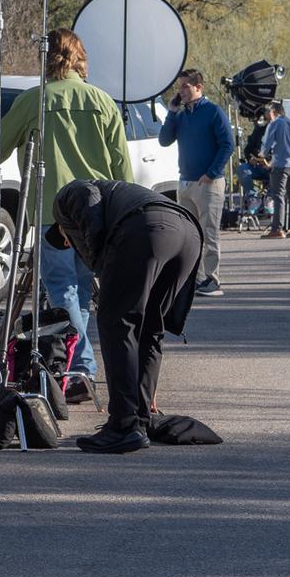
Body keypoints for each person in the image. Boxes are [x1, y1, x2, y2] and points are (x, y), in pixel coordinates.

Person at [0, 29, 133, 399]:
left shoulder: (35, 101)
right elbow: (122, 164)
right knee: (78, 294)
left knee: (62, 289)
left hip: (54, 215)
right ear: (81, 58)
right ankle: (75, 365)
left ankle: (80, 367)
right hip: (99, 213)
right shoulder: (102, 101)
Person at [46, 180, 202, 454]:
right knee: (150, 328)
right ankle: (141, 417)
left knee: (116, 322)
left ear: (63, 225)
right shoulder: (117, 197)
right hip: (188, 235)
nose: (72, 245)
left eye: (68, 239)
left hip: (149, 229)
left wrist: (100, 264)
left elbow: (86, 196)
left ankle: (124, 425)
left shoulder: (65, 199)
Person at [158, 69, 234, 295]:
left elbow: (227, 144)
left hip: (208, 183)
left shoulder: (213, 112)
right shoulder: (181, 115)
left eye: (185, 87)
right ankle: (194, 278)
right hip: (186, 181)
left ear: (198, 87)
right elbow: (164, 140)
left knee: (208, 232)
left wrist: (211, 173)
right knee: (189, 234)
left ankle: (212, 279)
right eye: (179, 87)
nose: (180, 91)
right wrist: (171, 112)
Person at [260, 99, 290, 239]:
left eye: (268, 112)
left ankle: (277, 229)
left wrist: (262, 155)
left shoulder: (274, 124)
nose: (266, 115)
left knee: (278, 196)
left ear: (273, 112)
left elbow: (267, 143)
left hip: (281, 165)